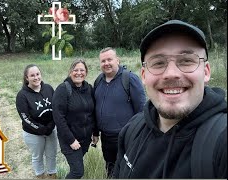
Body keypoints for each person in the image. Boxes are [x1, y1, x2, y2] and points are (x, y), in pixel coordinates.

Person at [113, 20, 227, 178]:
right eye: (158, 63)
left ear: (206, 71)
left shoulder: (222, 141)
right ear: (144, 76)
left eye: (186, 61)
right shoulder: (131, 130)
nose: (171, 73)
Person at [94, 47, 146, 178]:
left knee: (126, 169)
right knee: (110, 167)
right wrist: (95, 132)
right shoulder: (98, 81)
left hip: (126, 137)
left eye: (109, 59)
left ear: (117, 60)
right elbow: (94, 108)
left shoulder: (130, 79)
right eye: (103, 61)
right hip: (106, 137)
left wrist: (138, 135)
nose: (106, 63)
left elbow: (141, 110)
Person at [52, 59, 99, 179]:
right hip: (69, 140)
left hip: (85, 139)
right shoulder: (63, 89)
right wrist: (71, 140)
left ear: (86, 72)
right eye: (75, 70)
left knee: (76, 167)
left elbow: (92, 113)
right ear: (70, 72)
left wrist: (95, 132)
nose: (79, 73)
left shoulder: (89, 88)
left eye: (82, 70)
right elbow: (58, 117)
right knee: (78, 172)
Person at [16, 64, 58, 179]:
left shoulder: (49, 88)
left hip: (51, 130)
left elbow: (56, 108)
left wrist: (50, 126)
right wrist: (41, 129)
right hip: (33, 133)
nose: (36, 78)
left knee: (52, 155)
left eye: (38, 74)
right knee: (37, 157)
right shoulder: (22, 95)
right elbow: (25, 118)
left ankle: (52, 175)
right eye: (32, 75)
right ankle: (41, 176)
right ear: (26, 78)